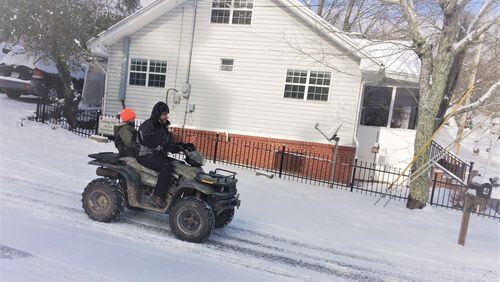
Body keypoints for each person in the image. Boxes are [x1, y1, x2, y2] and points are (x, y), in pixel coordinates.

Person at [137, 101, 194, 208]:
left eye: (167, 114)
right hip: (145, 155)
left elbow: (168, 144)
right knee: (167, 167)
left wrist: (183, 146)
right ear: (157, 114)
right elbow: (148, 140)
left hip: (157, 154)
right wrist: (161, 144)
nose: (166, 116)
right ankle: (157, 196)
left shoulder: (163, 127)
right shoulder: (148, 125)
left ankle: (174, 192)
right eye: (164, 114)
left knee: (180, 165)